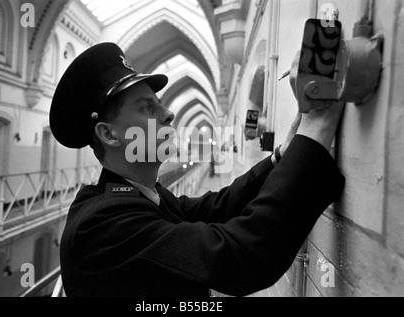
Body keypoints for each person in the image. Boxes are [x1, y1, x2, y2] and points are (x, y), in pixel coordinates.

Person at [50, 43, 345, 297]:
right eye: (147, 108)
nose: (169, 114)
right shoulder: (101, 227)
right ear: (110, 135)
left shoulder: (139, 197)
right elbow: (243, 256)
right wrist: (316, 125)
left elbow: (219, 207)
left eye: (160, 104)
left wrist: (282, 155)